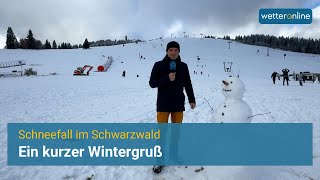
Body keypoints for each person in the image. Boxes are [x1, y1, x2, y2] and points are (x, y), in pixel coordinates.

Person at [149, 41, 196, 172]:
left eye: (176, 50)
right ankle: (159, 160)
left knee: (176, 133)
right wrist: (166, 78)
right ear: (167, 51)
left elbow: (188, 84)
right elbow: (152, 83)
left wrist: (191, 99)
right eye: (171, 50)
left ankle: (174, 155)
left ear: (179, 51)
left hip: (178, 105)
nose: (173, 52)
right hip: (163, 105)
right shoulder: (158, 65)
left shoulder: (184, 66)